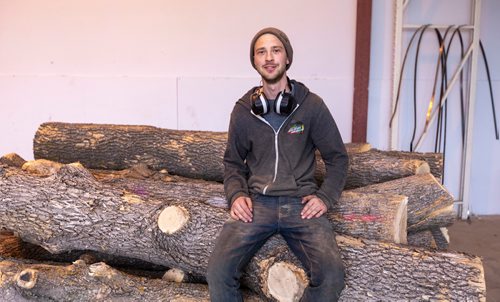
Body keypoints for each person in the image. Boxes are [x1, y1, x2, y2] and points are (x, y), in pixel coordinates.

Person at [207, 27, 348, 302]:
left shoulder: (311, 106)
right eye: (261, 52)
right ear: (255, 61)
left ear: (287, 58)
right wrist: (236, 195)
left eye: (276, 50)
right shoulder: (243, 111)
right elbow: (232, 163)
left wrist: (325, 198)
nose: (269, 57)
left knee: (332, 275)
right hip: (257, 206)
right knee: (218, 272)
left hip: (301, 206)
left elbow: (338, 158)